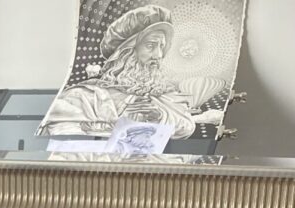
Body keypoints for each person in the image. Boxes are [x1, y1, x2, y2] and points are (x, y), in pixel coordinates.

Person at [39, 4, 225, 140]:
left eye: (162, 47)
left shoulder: (164, 96)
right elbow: (59, 135)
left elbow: (185, 126)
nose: (159, 55)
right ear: (125, 52)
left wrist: (159, 117)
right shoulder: (84, 96)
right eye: (151, 45)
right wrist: (120, 125)